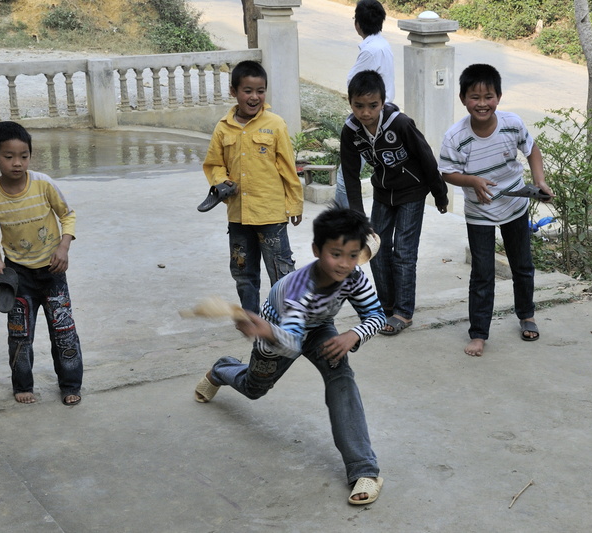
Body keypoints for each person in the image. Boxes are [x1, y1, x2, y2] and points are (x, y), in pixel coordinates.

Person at [193, 207, 386, 505]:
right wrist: (266, 333)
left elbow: (375, 314)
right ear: (316, 251)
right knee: (254, 388)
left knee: (342, 378)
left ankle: (364, 469)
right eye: (336, 254)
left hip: (320, 328)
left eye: (352, 255)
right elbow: (290, 345)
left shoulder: (354, 275)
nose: (344, 264)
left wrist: (353, 334)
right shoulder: (298, 292)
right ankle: (221, 369)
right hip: (277, 334)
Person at [439, 63, 553, 357]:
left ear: (498, 97)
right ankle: (478, 334)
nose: (482, 104)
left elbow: (532, 150)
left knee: (522, 266)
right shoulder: (455, 137)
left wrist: (539, 181)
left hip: (515, 205)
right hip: (479, 214)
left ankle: (527, 315)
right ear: (463, 99)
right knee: (483, 273)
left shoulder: (512, 124)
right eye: (475, 97)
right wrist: (471, 181)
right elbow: (447, 173)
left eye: (488, 96)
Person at [0, 121, 83, 405]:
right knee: (20, 336)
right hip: (17, 277)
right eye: (8, 156)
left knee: (63, 333)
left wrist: (64, 247)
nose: (17, 163)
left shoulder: (43, 184)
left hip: (53, 272)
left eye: (24, 156)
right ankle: (23, 386)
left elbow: (68, 215)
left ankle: (71, 384)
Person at [341, 70, 449, 336]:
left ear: (383, 101)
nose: (366, 113)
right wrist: (358, 217)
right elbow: (351, 174)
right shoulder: (351, 130)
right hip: (383, 194)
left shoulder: (399, 123)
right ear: (350, 102)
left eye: (373, 106)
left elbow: (425, 156)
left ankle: (403, 312)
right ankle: (385, 307)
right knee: (375, 249)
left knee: (403, 252)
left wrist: (439, 192)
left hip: (412, 192)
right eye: (359, 106)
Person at [202, 60, 304, 314]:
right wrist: (220, 180)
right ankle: (251, 317)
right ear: (233, 92)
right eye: (247, 90)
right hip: (238, 215)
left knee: (280, 269)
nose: (254, 97)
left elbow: (288, 169)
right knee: (243, 271)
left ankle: (284, 317)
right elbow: (214, 164)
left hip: (270, 214)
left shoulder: (275, 124)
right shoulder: (223, 128)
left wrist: (294, 203)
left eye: (260, 91)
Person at [334, 0, 395, 209]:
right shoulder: (381, 45)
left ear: (357, 23)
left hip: (371, 118)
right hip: (380, 113)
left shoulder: (371, 51)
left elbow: (356, 86)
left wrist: (359, 109)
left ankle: (348, 223)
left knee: (345, 178)